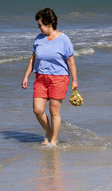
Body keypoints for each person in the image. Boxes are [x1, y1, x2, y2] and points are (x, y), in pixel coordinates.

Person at [21, 8, 78, 146]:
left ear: (48, 24)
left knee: (54, 110)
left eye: (40, 25)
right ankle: (49, 132)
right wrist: (26, 76)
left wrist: (75, 80)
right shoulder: (39, 39)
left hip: (59, 78)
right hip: (41, 78)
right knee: (37, 110)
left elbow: (71, 61)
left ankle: (53, 142)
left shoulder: (64, 39)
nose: (39, 27)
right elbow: (32, 59)